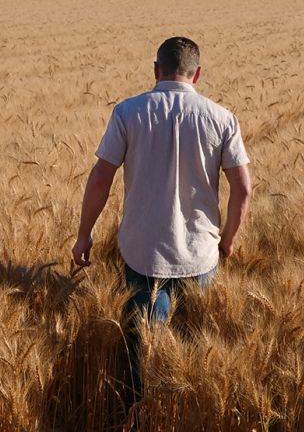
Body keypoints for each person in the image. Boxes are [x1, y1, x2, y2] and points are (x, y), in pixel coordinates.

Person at [71, 36, 253, 398]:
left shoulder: (128, 112)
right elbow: (244, 189)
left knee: (141, 359)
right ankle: (178, 423)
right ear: (197, 74)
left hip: (143, 254)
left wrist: (84, 234)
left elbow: (101, 178)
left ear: (156, 70)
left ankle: (138, 421)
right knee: (194, 355)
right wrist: (228, 240)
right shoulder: (222, 118)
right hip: (200, 257)